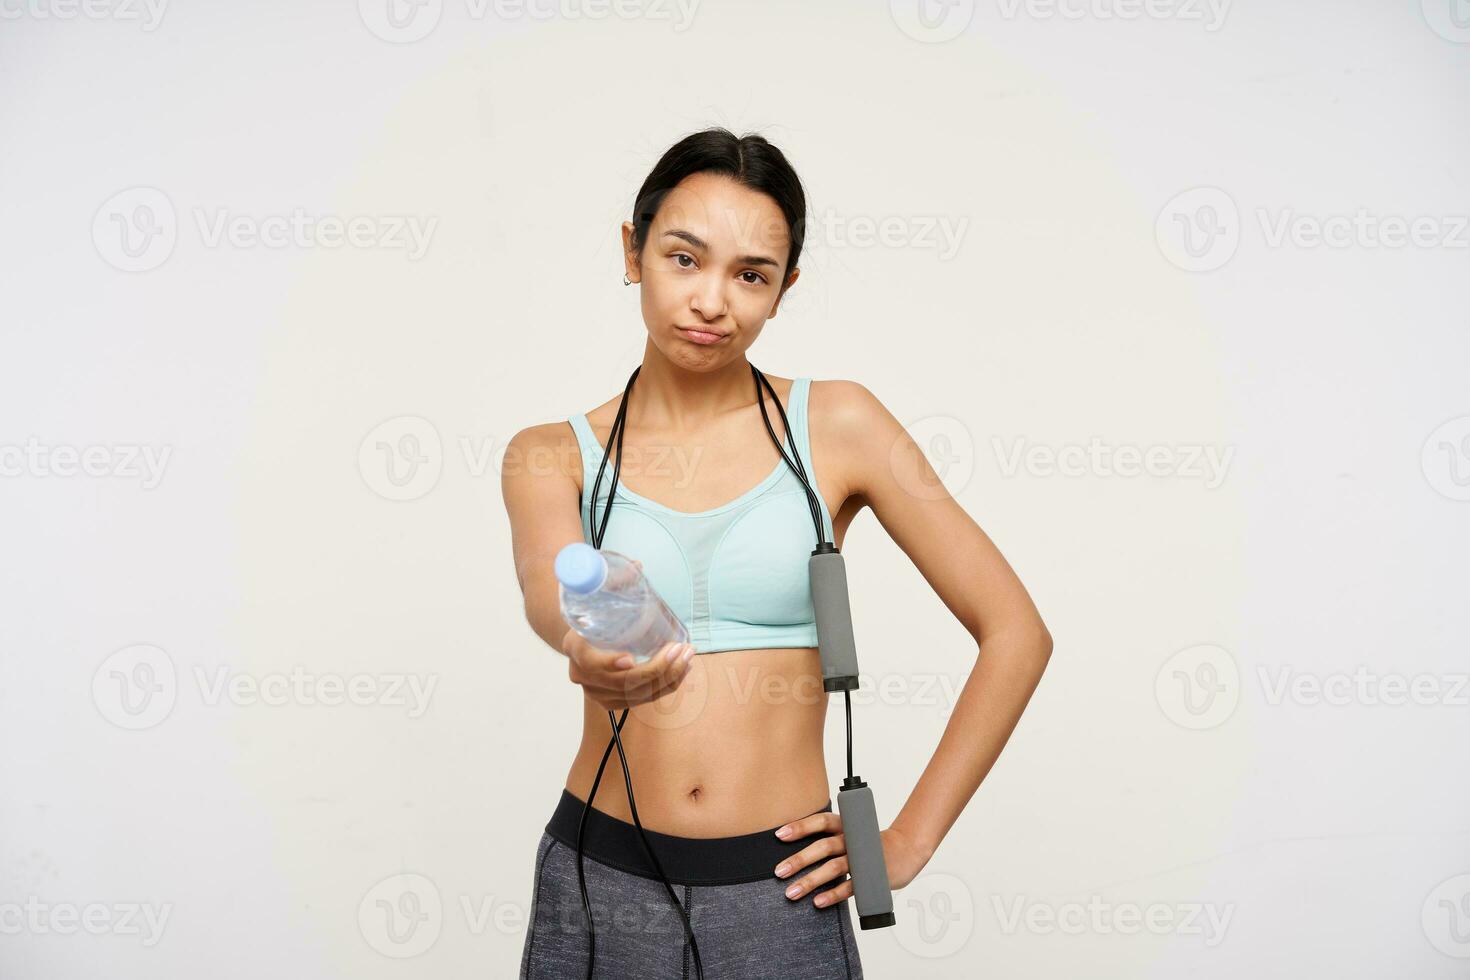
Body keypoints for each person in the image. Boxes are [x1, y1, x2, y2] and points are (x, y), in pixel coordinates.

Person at [502, 127, 1053, 979]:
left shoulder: (840, 425)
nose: (712, 301)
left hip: (783, 891)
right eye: (684, 259)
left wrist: (900, 841)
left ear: (783, 289)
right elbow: (551, 582)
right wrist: (583, 647)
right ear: (632, 250)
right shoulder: (550, 452)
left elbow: (1016, 631)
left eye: (750, 274)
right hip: (599, 879)